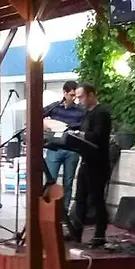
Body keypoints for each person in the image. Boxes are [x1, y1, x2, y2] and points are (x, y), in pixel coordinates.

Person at [67, 83, 112, 248]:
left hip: (98, 163)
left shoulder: (102, 113)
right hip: (86, 161)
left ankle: (99, 235)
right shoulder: (87, 114)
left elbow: (98, 136)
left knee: (96, 199)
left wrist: (80, 134)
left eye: (81, 97)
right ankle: (76, 232)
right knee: (80, 198)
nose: (79, 101)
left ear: (91, 95)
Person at [43, 80, 86, 215]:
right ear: (64, 93)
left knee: (68, 182)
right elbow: (38, 114)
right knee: (50, 180)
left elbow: (83, 126)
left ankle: (64, 212)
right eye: (71, 95)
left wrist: (69, 127)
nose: (74, 98)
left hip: (72, 150)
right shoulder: (54, 107)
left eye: (75, 96)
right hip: (54, 148)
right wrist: (46, 125)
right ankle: (48, 210)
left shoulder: (80, 110)